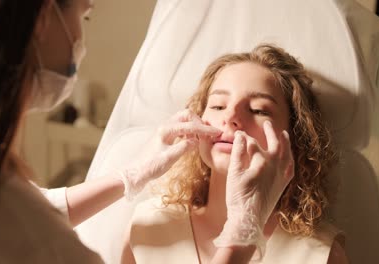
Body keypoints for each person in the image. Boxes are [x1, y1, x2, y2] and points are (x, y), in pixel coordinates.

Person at [0, 0, 222, 263]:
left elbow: (38, 210)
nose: (233, 120)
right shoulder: (36, 236)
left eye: (258, 110)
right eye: (84, 16)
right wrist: (239, 242)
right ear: (43, 18)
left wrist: (130, 175)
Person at [121, 44, 349, 263]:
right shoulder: (145, 229)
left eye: (259, 110)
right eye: (218, 106)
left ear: (295, 136)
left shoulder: (321, 255)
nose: (230, 117)